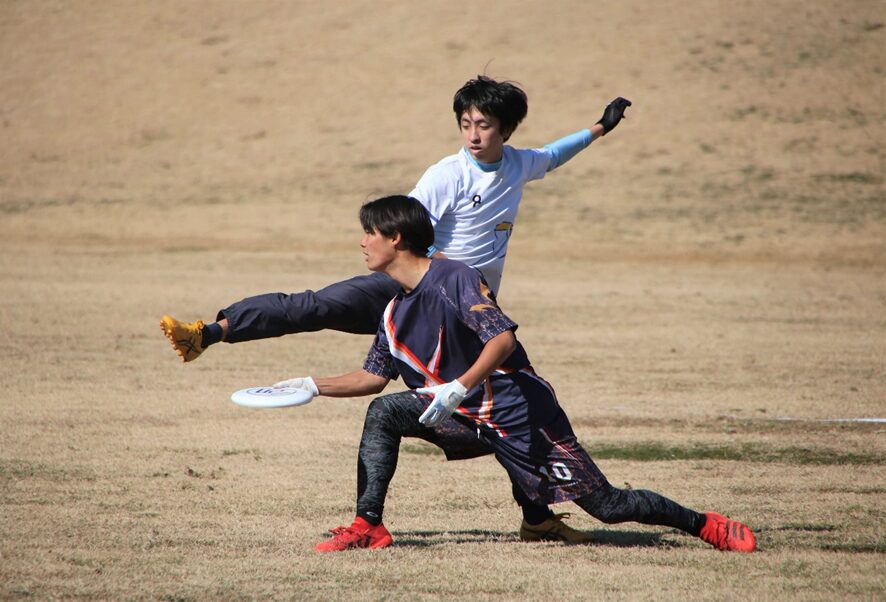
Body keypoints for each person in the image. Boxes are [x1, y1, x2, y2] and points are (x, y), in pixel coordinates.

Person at [161, 76, 632, 544]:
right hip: (409, 287)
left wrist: (599, 128)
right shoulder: (447, 174)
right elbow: (407, 231)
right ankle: (209, 331)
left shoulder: (520, 164)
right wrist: (439, 270)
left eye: (483, 124)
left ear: (505, 130)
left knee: (494, 411)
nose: (472, 134)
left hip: (454, 306)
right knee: (313, 306)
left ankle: (537, 516)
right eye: (465, 123)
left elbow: (553, 154)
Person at [279, 195, 757, 553]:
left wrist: (458, 387)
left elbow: (501, 339)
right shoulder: (391, 311)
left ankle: (703, 524)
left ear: (395, 238)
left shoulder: (455, 278)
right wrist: (308, 386)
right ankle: (368, 525)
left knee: (608, 506)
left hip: (520, 412)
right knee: (385, 411)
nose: (362, 242)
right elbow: (372, 379)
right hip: (466, 417)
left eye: (369, 233)